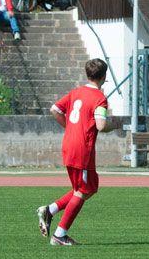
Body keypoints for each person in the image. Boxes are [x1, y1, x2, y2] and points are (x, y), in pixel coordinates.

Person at [37, 59, 117, 245]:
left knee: (89, 188)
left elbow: (55, 109)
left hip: (70, 144)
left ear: (87, 74)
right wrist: (114, 126)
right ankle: (59, 235)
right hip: (82, 149)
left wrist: (70, 128)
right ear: (104, 76)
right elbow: (101, 125)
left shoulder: (76, 92)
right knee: (81, 191)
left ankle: (49, 210)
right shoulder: (99, 98)